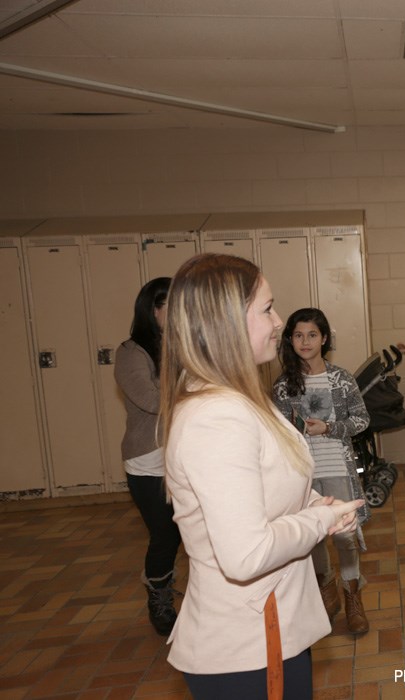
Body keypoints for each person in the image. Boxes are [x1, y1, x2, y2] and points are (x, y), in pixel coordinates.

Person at [159, 253, 364, 699]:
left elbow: (271, 488)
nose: (279, 322)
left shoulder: (243, 397)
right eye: (267, 308)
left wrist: (315, 504)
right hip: (249, 641)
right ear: (227, 321)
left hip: (273, 628)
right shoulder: (217, 415)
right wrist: (320, 521)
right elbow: (246, 554)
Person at [273, 307, 372, 636]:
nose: (305, 341)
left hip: (338, 470)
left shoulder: (341, 378)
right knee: (312, 538)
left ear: (324, 339)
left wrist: (329, 427)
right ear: (290, 339)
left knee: (345, 537)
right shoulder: (283, 386)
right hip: (301, 476)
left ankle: (352, 599)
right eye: (298, 335)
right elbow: (275, 432)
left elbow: (362, 419)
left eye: (312, 335)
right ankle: (326, 592)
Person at [115, 276, 182, 636]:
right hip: (147, 460)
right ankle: (159, 598)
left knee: (191, 529)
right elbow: (150, 399)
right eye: (169, 305)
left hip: (184, 456)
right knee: (165, 534)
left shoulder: (183, 345)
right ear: (151, 309)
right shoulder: (130, 352)